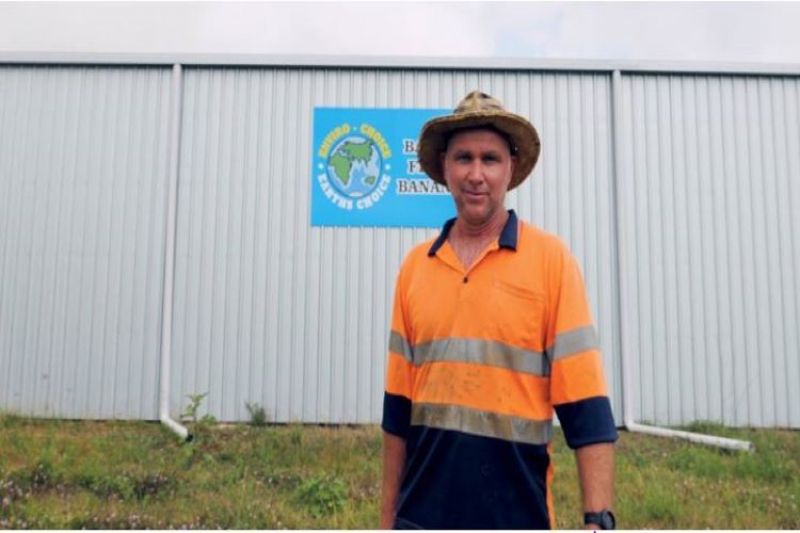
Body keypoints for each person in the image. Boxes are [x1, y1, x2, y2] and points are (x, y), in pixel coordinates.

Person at [380, 91, 618, 530]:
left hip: (516, 517)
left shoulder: (551, 262)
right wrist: (386, 521)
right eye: (463, 158)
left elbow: (587, 411)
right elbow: (397, 419)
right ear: (445, 168)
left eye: (489, 159)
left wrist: (598, 519)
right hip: (420, 519)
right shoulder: (414, 269)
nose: (476, 174)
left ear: (510, 168)